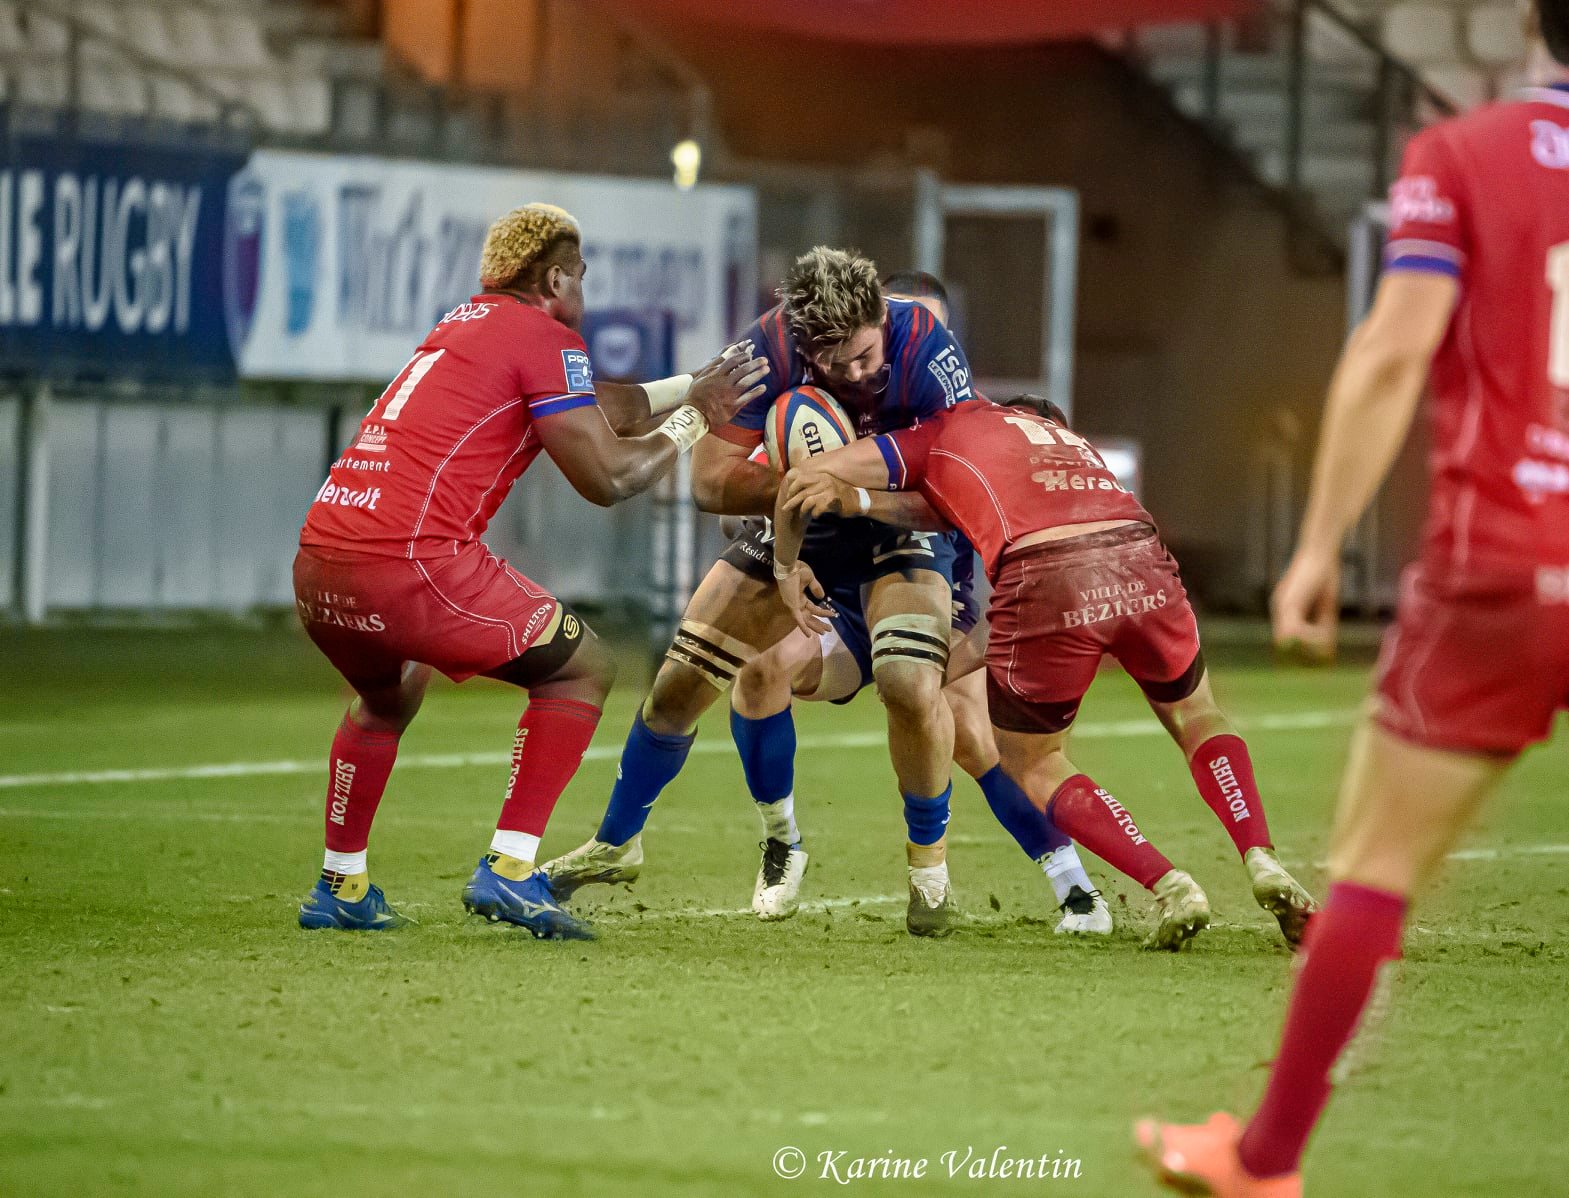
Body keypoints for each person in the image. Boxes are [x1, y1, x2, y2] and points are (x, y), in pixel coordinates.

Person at [1135, 0, 1569, 1195]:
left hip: (1504, 573)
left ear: (1530, 18)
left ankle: (1266, 1160)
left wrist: (1313, 549)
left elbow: (1395, 350)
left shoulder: (1464, 156)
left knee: (1376, 869)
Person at [293, 203, 766, 941]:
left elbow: (596, 406)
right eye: (579, 276)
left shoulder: (464, 326)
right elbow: (610, 477)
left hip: (320, 566)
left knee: (389, 694)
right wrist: (698, 419)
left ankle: (340, 883)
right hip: (409, 564)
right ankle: (510, 870)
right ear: (553, 277)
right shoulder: (547, 335)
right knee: (583, 666)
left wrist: (688, 386)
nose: (584, 290)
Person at [776, 396, 1317, 950]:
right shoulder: (1069, 447)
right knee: (1197, 712)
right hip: (1138, 552)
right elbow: (940, 509)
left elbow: (825, 474)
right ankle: (1262, 856)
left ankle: (1171, 884)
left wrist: (815, 519)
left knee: (1032, 760)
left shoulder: (951, 429)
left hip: (1045, 573)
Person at [544, 247, 975, 936]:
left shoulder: (928, 348)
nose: (860, 375)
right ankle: (634, 841)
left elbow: (958, 490)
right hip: (808, 513)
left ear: (881, 320)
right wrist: (801, 506)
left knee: (908, 682)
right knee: (682, 680)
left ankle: (929, 876)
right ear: (805, 348)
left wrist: (855, 493)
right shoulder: (764, 349)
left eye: (867, 356)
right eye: (840, 366)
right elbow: (712, 482)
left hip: (901, 514)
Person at [721, 270, 1109, 934]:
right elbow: (756, 496)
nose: (880, 361)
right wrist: (774, 530)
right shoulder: (816, 405)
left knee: (975, 734)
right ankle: (782, 841)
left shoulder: (954, 414)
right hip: (845, 598)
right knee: (759, 671)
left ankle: (1071, 884)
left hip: (934, 594)